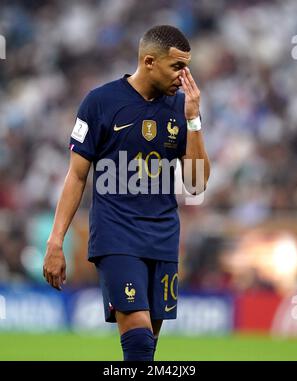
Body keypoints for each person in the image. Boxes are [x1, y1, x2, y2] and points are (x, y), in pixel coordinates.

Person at [43, 25, 210, 361]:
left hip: (163, 237)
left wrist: (193, 121)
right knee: (137, 342)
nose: (184, 76)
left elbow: (195, 184)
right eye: (177, 66)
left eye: (187, 67)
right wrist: (55, 241)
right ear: (149, 61)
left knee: (147, 346)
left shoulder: (181, 109)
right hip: (116, 235)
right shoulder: (100, 102)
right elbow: (76, 176)